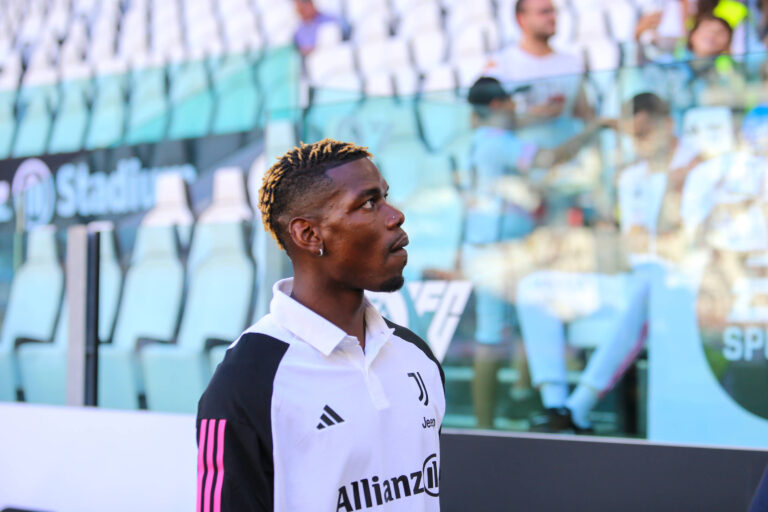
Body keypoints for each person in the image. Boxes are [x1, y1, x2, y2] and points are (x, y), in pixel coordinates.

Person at [196, 139, 445, 511]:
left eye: (386, 198)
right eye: (368, 203)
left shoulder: (416, 356)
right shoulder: (248, 379)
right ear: (309, 235)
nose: (395, 216)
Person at [516, 93, 700, 433]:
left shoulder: (697, 167)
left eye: (644, 133)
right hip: (632, 278)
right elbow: (628, 242)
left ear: (669, 125)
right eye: (632, 134)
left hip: (681, 286)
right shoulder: (630, 176)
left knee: (651, 280)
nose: (638, 142)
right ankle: (556, 405)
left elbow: (685, 244)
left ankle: (579, 409)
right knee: (534, 286)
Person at [455, 77, 613, 429]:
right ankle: (484, 426)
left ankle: (515, 405)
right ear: (497, 105)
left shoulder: (485, 139)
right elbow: (552, 157)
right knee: (491, 339)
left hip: (500, 248)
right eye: (510, 102)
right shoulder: (497, 141)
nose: (516, 108)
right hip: (494, 253)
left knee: (521, 325)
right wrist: (594, 128)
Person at [485, 0, 593, 147]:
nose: (552, 17)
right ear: (521, 19)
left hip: (567, 161)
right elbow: (482, 121)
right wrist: (531, 116)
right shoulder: (500, 65)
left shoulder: (571, 63)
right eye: (544, 12)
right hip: (520, 164)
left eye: (553, 11)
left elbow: (584, 115)